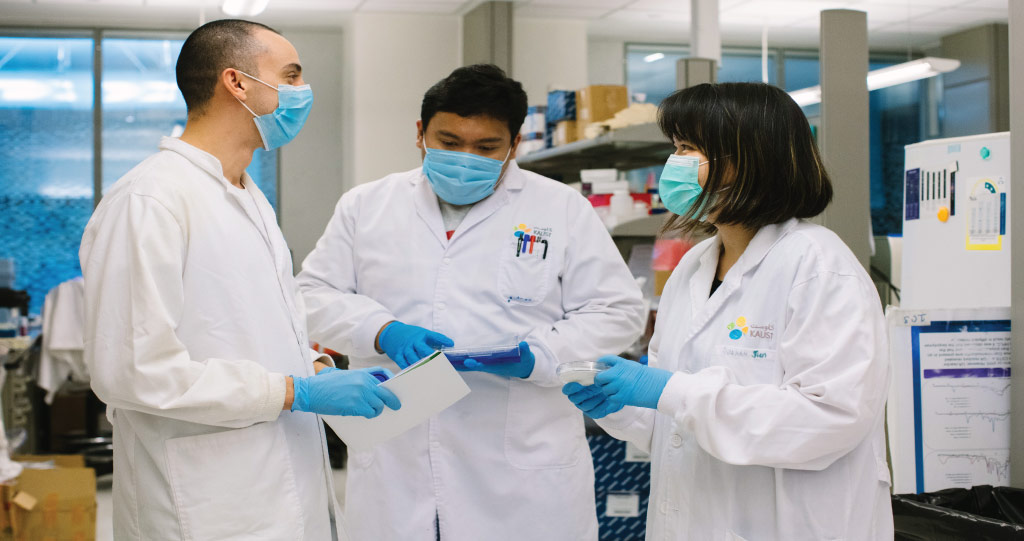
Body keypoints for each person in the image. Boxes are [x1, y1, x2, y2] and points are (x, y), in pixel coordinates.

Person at [79, 20, 398, 541]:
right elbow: (132, 371)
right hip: (203, 501)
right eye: (291, 76)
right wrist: (295, 391)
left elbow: (255, 322)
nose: (302, 92)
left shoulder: (248, 196)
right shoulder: (151, 200)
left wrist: (315, 368)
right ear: (237, 82)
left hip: (279, 485)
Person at [297, 64, 646, 540]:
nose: (466, 158)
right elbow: (313, 295)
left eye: (486, 148)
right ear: (420, 133)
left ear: (515, 145)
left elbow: (618, 310)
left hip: (520, 469)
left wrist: (539, 356)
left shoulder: (560, 208)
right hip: (397, 460)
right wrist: (382, 330)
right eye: (449, 141)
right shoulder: (366, 206)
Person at [563, 82, 893, 540]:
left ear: (753, 158)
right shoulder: (692, 267)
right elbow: (674, 424)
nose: (674, 163)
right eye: (675, 147)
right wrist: (621, 407)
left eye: (689, 148)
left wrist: (674, 391)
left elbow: (829, 419)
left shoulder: (818, 266)